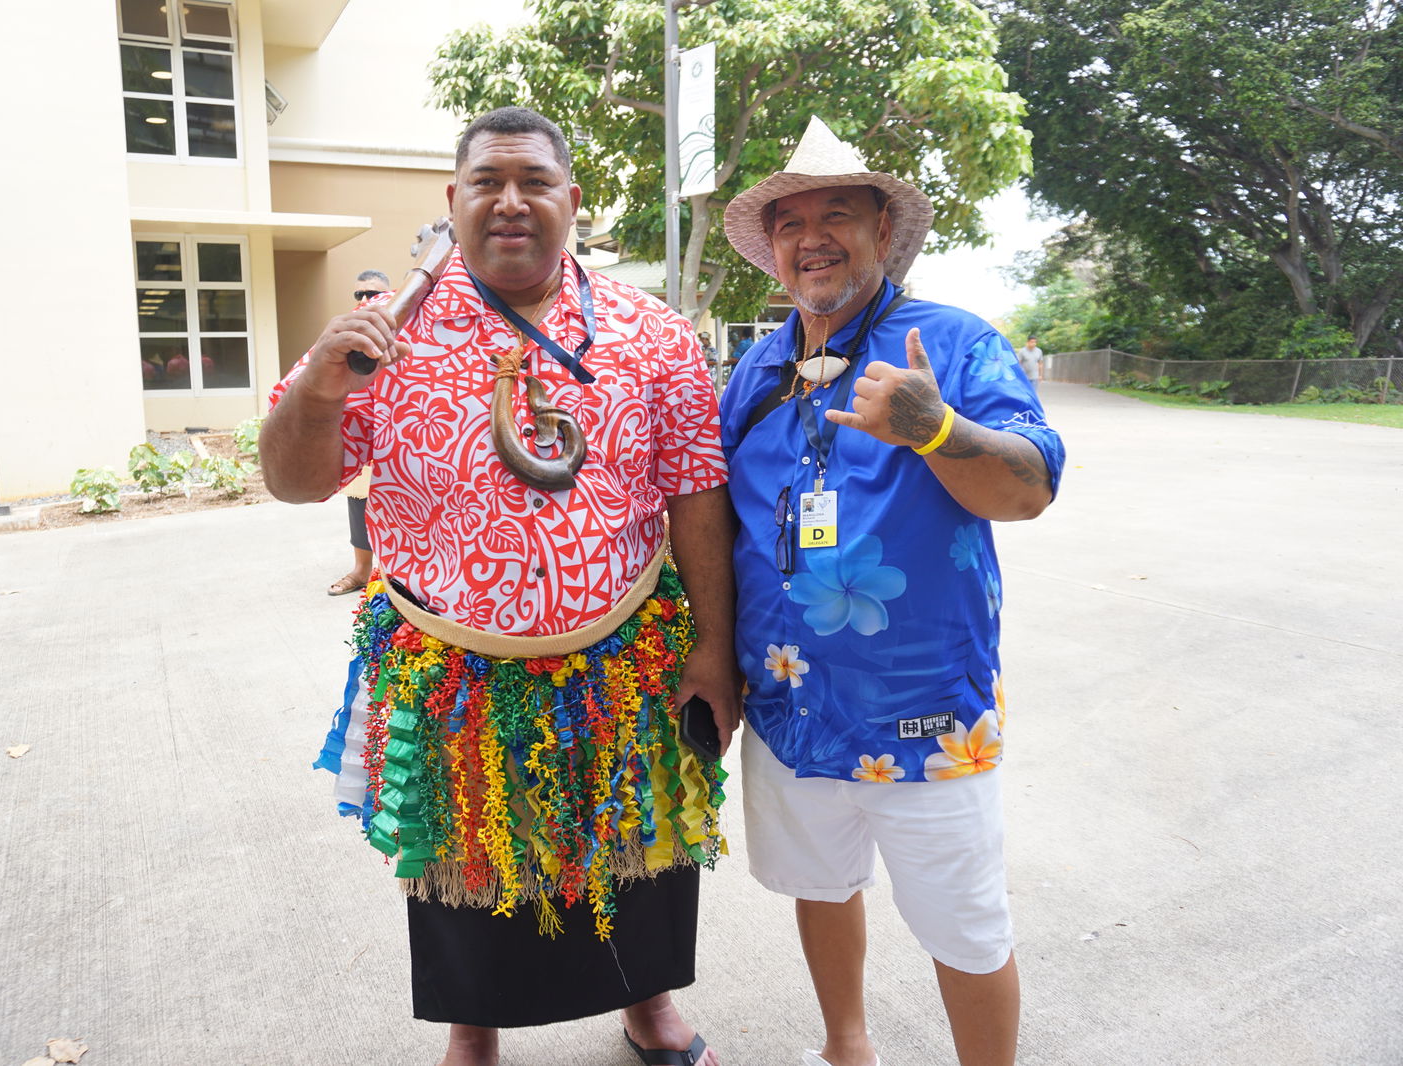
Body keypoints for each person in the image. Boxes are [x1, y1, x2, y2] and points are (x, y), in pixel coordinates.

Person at [260, 106, 739, 1066]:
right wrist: (319, 386)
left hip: (623, 653)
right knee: (463, 851)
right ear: (454, 202)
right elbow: (294, 480)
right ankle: (470, 1026)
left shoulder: (652, 334)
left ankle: (647, 1001)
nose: (510, 202)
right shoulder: (380, 338)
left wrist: (714, 651)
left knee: (636, 844)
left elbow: (696, 497)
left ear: (573, 201)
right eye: (487, 182)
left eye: (533, 182)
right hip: (451, 665)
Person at [718, 117, 1065, 1066]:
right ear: (773, 250)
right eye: (790, 222)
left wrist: (937, 429)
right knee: (821, 888)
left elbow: (1028, 487)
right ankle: (846, 1050)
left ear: (883, 231)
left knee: (965, 926)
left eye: (838, 214)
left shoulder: (949, 344)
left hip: (927, 715)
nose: (812, 236)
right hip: (789, 709)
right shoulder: (755, 369)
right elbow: (708, 515)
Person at [328, 269, 391, 596]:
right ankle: (361, 571)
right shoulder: (345, 332)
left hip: (394, 434)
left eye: (374, 294)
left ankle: (396, 577)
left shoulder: (403, 328)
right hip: (359, 430)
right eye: (360, 295)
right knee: (358, 502)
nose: (366, 300)